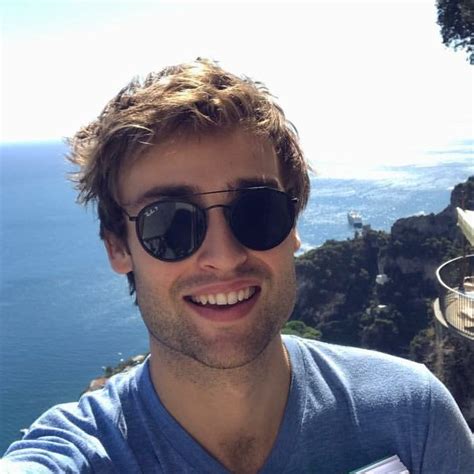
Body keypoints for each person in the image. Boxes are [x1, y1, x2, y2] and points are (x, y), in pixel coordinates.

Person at [2, 59, 473, 474]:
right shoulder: (82, 454)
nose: (224, 255)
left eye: (258, 211)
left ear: (293, 226)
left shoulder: (411, 415)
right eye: (169, 223)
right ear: (117, 248)